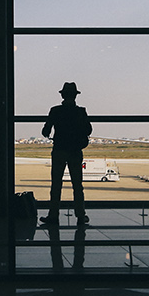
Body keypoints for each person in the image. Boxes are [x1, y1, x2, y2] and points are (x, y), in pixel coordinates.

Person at [40, 81, 92, 226]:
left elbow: (46, 130)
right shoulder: (81, 112)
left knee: (56, 184)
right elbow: (88, 130)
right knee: (77, 185)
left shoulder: (55, 111)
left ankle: (53, 215)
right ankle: (81, 215)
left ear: (63, 95)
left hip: (59, 150)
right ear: (75, 96)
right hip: (75, 151)